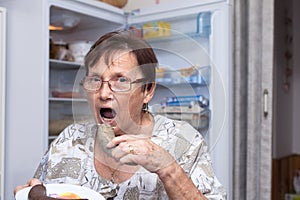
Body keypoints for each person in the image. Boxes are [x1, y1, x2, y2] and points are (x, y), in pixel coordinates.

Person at [14, 30, 226, 199]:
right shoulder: (69, 139)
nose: (104, 93)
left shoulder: (184, 142)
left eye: (121, 81)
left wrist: (168, 168)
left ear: (147, 90)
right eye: (95, 80)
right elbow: (43, 191)